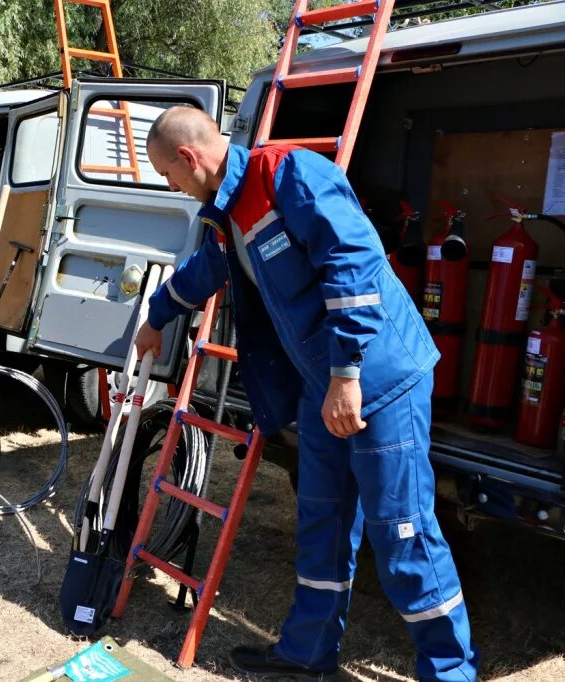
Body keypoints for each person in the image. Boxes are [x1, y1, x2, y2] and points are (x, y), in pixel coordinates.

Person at [135, 106, 478, 681]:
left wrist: (347, 375)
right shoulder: (226, 211)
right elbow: (206, 269)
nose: (170, 185)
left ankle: (450, 673)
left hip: (378, 381)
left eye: (168, 174)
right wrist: (157, 315)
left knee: (402, 536)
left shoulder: (289, 174)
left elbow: (355, 263)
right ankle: (307, 655)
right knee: (321, 520)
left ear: (189, 159)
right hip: (326, 389)